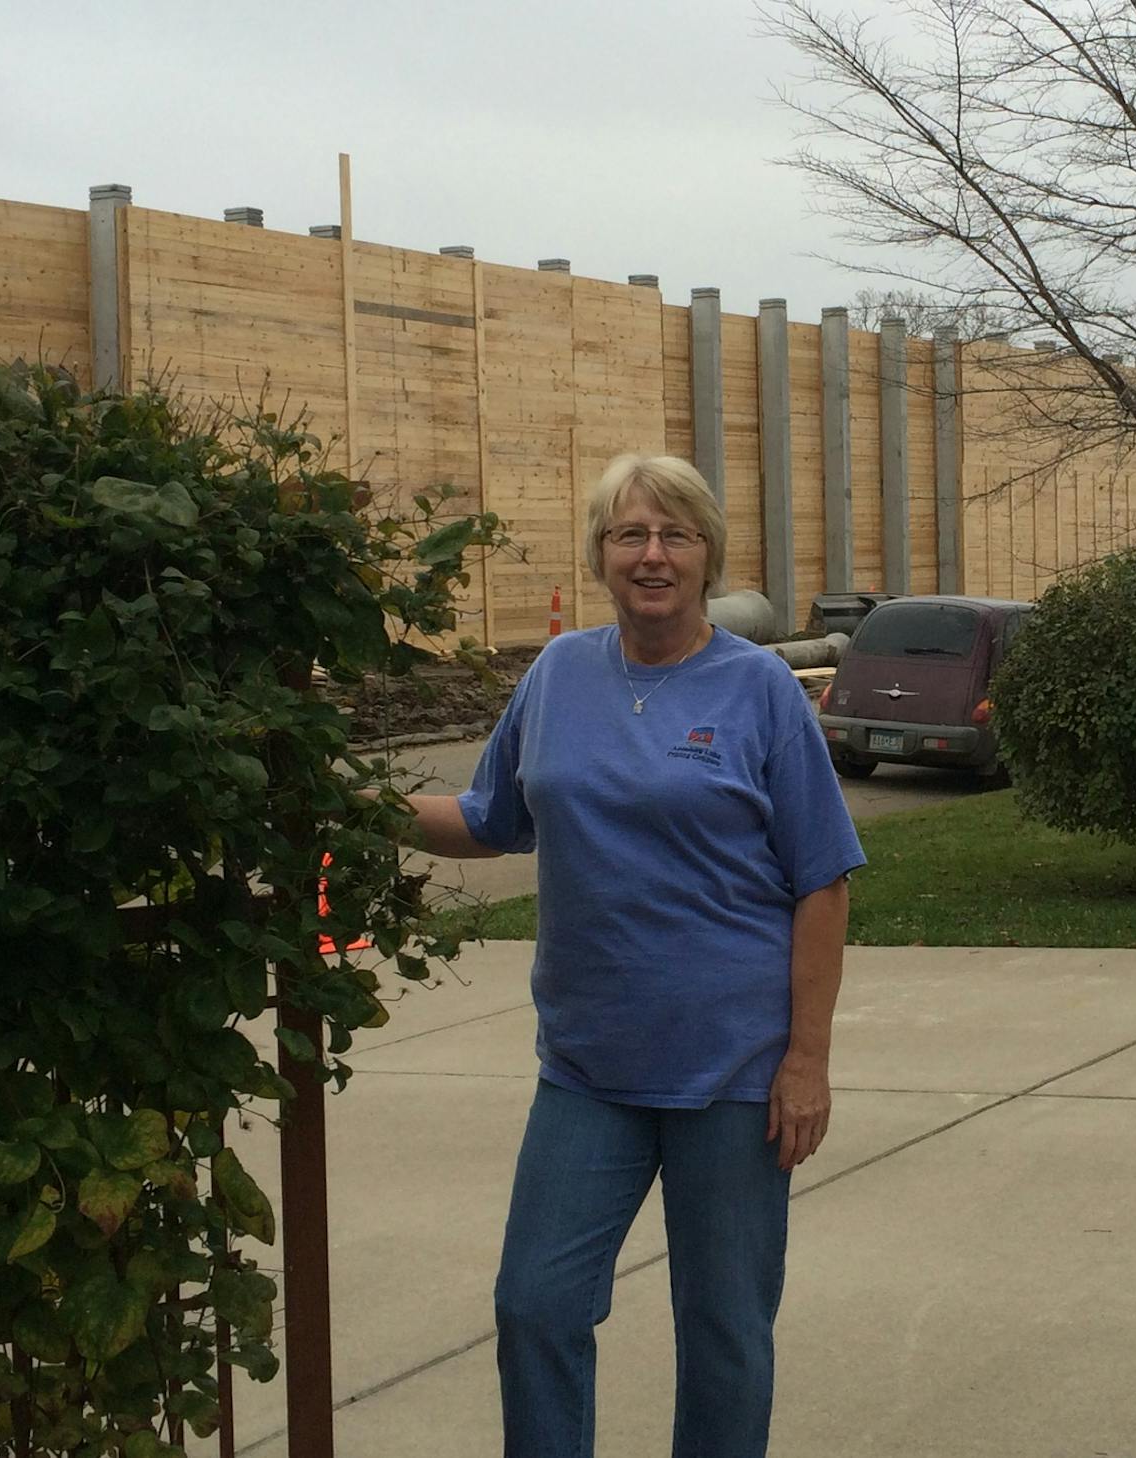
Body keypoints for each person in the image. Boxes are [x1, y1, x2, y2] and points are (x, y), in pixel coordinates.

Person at [394, 453, 866, 1457]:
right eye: (629, 536)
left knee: (725, 1332)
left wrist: (806, 1061)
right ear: (602, 557)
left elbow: (822, 879)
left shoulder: (761, 691)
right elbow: (489, 819)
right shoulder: (560, 674)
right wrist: (361, 810)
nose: (652, 555)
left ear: (708, 557)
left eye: (674, 535)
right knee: (537, 1306)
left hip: (735, 1074)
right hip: (589, 1067)